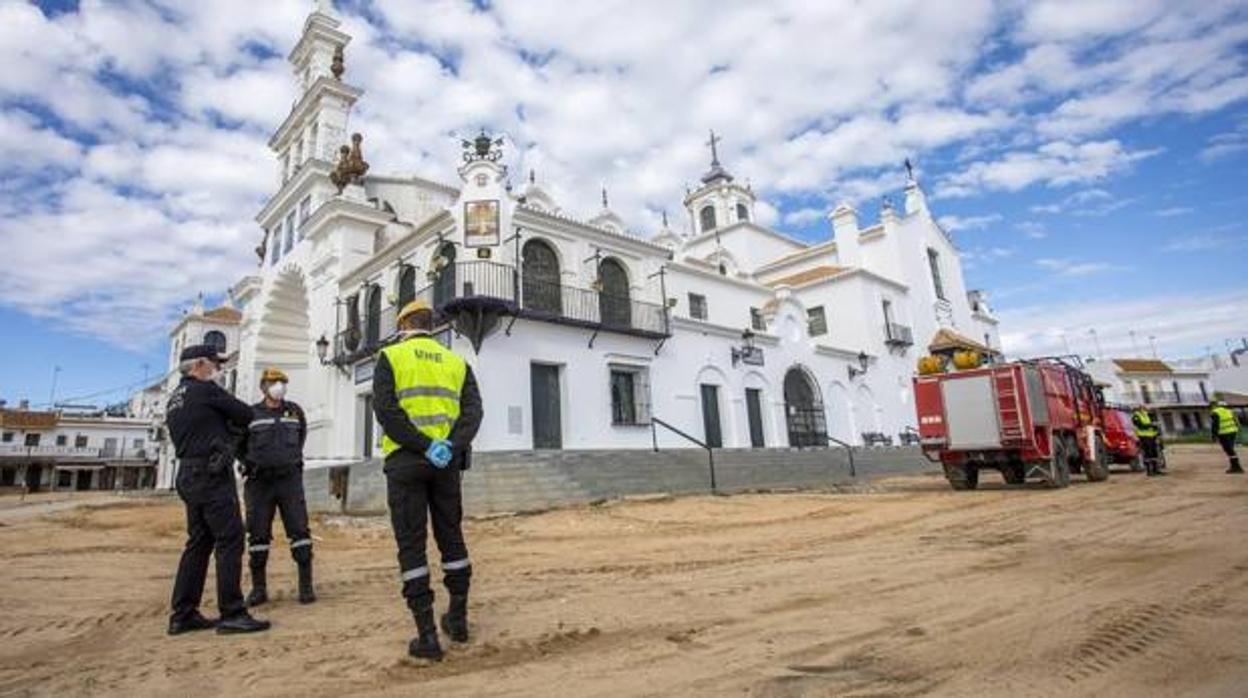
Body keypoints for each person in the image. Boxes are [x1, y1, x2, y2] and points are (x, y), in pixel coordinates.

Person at [372, 299, 483, 661]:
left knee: (412, 544)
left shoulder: (391, 358)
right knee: (451, 537)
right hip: (446, 464)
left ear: (403, 325)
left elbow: (387, 412)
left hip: (406, 461)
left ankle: (427, 636)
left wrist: (422, 444)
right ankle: (459, 619)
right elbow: (473, 412)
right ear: (432, 325)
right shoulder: (457, 362)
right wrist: (448, 445)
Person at [166, 345, 270, 635]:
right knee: (230, 539)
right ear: (199, 364)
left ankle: (183, 614)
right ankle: (232, 612)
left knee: (198, 542)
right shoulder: (205, 390)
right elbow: (245, 413)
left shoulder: (175, 398)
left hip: (187, 473)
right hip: (211, 474)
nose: (218, 370)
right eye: (214, 364)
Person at [239, 368, 315, 606]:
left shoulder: (294, 412)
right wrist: (249, 463)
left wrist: (290, 459)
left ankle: (306, 586)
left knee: (300, 531)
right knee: (258, 535)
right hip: (259, 482)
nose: (279, 386)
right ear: (263, 387)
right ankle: (259, 589)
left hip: (289, 480)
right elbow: (238, 444)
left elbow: (301, 436)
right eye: (274, 382)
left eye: (282, 382)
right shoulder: (251, 414)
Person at [1210, 400, 1242, 474]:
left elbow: (1215, 425)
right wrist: (1236, 429)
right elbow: (1236, 422)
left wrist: (1214, 436)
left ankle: (1236, 467)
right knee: (1230, 449)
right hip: (1233, 432)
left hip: (1223, 433)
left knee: (1229, 450)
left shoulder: (1215, 412)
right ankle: (1234, 466)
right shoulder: (1229, 411)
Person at [1131, 405, 1163, 477]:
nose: (1146, 409)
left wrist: (1156, 429)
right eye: (1144, 408)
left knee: (1154, 453)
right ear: (1140, 409)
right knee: (1147, 454)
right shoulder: (1136, 416)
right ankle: (1149, 471)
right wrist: (1151, 425)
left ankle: (1156, 470)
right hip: (1143, 437)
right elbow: (1140, 426)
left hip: (1152, 436)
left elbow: (1152, 424)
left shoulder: (1147, 415)